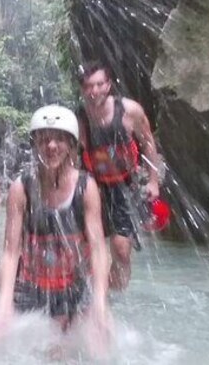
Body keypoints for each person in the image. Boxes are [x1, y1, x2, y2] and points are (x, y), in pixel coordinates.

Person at [0, 105, 111, 356]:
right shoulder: (20, 188)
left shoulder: (85, 187)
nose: (51, 146)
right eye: (44, 139)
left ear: (71, 144)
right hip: (32, 288)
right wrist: (3, 305)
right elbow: (10, 253)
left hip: (75, 288)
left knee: (97, 351)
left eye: (59, 139)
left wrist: (100, 303)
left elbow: (99, 249)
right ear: (35, 144)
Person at [77, 61, 162, 290]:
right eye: (88, 86)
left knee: (122, 251)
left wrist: (154, 181)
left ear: (109, 85)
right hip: (93, 185)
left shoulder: (129, 111)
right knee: (84, 245)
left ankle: (117, 295)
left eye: (99, 85)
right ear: (82, 89)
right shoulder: (79, 118)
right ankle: (90, 294)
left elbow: (147, 143)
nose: (94, 91)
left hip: (124, 185)